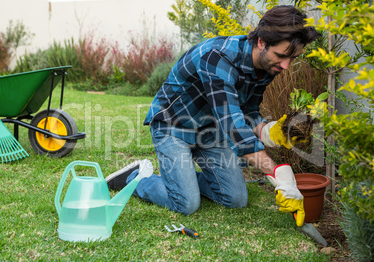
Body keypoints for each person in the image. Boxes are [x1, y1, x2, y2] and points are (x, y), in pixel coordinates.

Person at [106, 5, 320, 227]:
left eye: (292, 58)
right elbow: (233, 126)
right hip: (173, 126)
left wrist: (267, 130)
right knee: (186, 204)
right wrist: (278, 175)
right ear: (261, 42)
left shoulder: (267, 66)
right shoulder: (217, 57)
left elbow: (248, 112)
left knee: (236, 199)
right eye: (282, 56)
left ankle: (182, 180)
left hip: (209, 130)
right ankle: (136, 178)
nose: (286, 66)